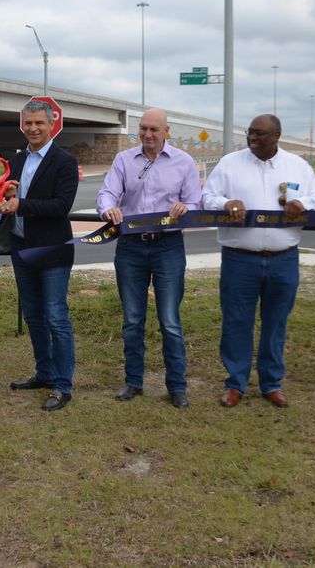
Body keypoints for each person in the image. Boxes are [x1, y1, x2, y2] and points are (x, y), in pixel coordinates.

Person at [200, 114, 315, 408]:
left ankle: (271, 383)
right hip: (239, 259)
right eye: (250, 133)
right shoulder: (230, 164)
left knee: (276, 323)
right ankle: (235, 383)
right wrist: (225, 204)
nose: (252, 139)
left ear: (277, 135)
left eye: (260, 134)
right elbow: (207, 197)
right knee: (236, 322)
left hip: (284, 259)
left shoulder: (297, 166)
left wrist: (302, 205)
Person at [96, 108, 200, 408]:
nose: (148, 135)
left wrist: (186, 208)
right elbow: (106, 194)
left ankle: (177, 386)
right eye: (143, 129)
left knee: (169, 321)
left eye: (154, 129)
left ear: (167, 131)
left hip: (168, 247)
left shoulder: (184, 162)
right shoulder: (124, 160)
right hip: (130, 247)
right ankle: (133, 382)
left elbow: (195, 200)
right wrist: (108, 210)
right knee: (132, 319)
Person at [0, 99, 80, 412]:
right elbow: (10, 194)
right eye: (28, 123)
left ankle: (62, 384)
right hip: (21, 247)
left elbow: (61, 206)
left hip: (53, 250)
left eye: (39, 123)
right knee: (33, 315)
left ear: (51, 125)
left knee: (56, 317)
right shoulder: (17, 160)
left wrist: (22, 205)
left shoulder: (64, 161)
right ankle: (44, 373)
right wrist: (7, 197)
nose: (33, 128)